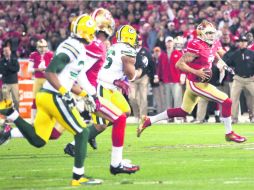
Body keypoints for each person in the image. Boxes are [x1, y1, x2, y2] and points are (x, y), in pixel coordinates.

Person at [0, 14, 102, 186]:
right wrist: (64, 92)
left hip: (47, 95)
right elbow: (50, 71)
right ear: (87, 32)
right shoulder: (73, 46)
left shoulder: (77, 47)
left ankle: (10, 112)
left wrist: (88, 94)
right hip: (54, 96)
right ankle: (78, 177)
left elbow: (76, 75)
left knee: (39, 140)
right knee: (83, 132)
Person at [137, 20, 246, 143]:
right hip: (196, 83)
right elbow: (179, 64)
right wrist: (197, 72)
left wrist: (224, 65)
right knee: (227, 101)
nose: (212, 35)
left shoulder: (214, 43)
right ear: (201, 34)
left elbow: (217, 55)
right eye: (209, 33)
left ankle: (148, 120)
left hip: (199, 82)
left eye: (213, 33)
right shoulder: (196, 45)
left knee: (183, 111)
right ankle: (229, 133)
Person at [226, 35, 254, 123]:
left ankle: (252, 116)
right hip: (238, 79)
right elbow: (227, 63)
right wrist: (230, 71)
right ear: (239, 43)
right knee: (233, 98)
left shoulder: (252, 53)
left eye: (244, 41)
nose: (242, 43)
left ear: (247, 43)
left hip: (250, 79)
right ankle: (234, 118)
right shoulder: (235, 54)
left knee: (251, 99)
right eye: (241, 41)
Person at [128, 35, 154, 122]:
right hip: (132, 77)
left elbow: (151, 63)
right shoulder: (129, 51)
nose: (137, 42)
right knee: (131, 97)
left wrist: (152, 75)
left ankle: (143, 117)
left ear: (141, 41)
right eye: (136, 40)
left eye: (138, 40)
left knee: (143, 97)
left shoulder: (145, 51)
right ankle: (136, 115)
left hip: (143, 77)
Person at [28, 39, 54, 121]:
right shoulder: (33, 55)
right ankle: (33, 120)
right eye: (40, 47)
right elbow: (29, 69)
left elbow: (54, 68)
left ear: (47, 47)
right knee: (35, 99)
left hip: (47, 80)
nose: (42, 49)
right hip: (38, 79)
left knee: (49, 100)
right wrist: (39, 69)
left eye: (44, 47)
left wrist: (47, 69)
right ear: (37, 47)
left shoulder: (50, 54)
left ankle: (48, 119)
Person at [0, 42, 20, 111]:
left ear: (10, 51)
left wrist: (8, 67)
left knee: (16, 100)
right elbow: (2, 71)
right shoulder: (1, 61)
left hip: (14, 82)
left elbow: (17, 69)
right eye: (5, 51)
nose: (6, 52)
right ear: (3, 53)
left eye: (7, 50)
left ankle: (17, 114)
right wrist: (11, 69)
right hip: (5, 83)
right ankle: (8, 117)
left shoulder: (14, 59)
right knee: (6, 101)